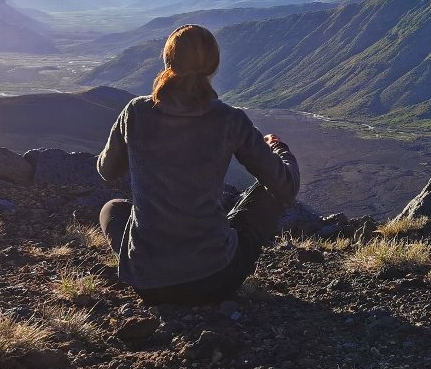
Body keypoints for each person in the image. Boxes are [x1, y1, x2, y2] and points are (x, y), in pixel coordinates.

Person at [96, 24, 299, 306]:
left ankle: (150, 262)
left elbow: (107, 171)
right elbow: (285, 187)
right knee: (268, 192)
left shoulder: (135, 112)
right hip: (215, 279)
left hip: (148, 283)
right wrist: (279, 149)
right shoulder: (229, 119)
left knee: (113, 209)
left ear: (168, 61)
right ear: (213, 66)